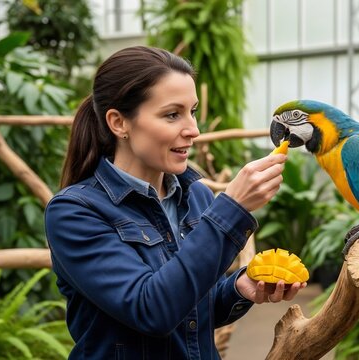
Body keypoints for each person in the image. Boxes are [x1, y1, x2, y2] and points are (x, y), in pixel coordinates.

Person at [44, 46, 306, 359]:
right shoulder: (75, 212)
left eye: (192, 112)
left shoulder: (196, 195)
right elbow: (151, 310)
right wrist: (231, 207)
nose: (193, 130)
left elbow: (191, 310)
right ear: (118, 123)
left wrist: (239, 287)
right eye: (172, 114)